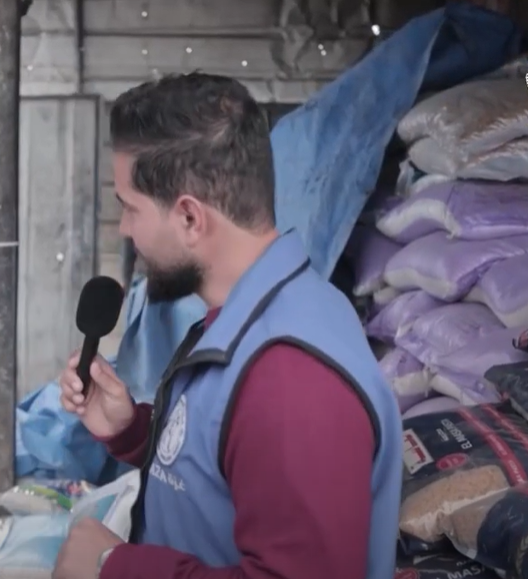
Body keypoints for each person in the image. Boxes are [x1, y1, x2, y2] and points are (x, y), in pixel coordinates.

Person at [54, 73, 403, 579]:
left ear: (190, 218)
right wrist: (131, 430)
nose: (126, 230)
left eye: (130, 208)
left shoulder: (290, 380)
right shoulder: (257, 314)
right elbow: (228, 463)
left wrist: (114, 566)